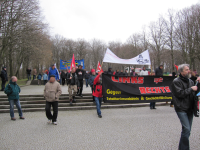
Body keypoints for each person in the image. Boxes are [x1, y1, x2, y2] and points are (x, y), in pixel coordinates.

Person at [171, 64, 200, 150]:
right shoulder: (176, 81)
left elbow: (196, 92)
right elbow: (180, 94)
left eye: (188, 69)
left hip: (190, 108)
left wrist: (198, 84)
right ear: (181, 71)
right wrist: (191, 89)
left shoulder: (191, 81)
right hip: (181, 108)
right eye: (186, 70)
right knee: (186, 129)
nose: (189, 71)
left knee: (187, 131)